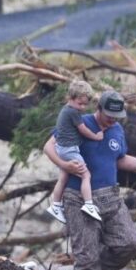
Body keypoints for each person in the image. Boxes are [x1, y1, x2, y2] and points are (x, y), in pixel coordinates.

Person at [43, 90, 136, 270]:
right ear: (99, 108)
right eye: (109, 115)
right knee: (86, 257)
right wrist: (65, 165)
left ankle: (104, 269)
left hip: (110, 196)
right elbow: (49, 147)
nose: (112, 119)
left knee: (130, 242)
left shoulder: (117, 130)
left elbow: (120, 159)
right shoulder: (78, 121)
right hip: (78, 197)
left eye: (116, 116)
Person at [46, 80, 103, 224]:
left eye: (85, 104)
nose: (83, 107)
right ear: (70, 98)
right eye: (80, 103)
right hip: (69, 149)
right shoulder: (73, 112)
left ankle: (55, 204)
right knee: (86, 175)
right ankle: (88, 204)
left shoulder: (66, 110)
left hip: (62, 148)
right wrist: (96, 136)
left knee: (63, 177)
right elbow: (83, 130)